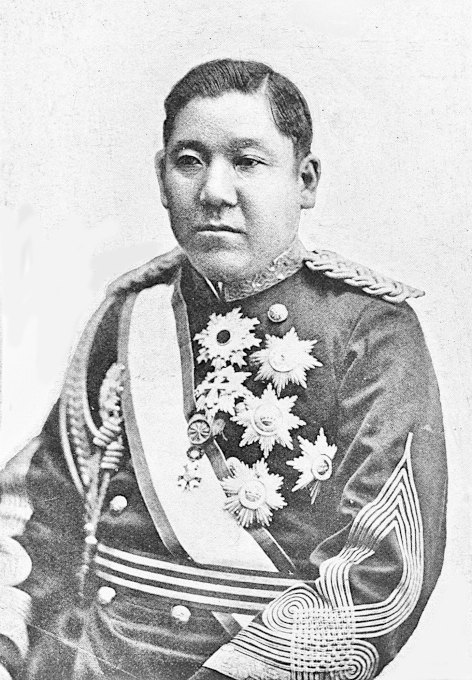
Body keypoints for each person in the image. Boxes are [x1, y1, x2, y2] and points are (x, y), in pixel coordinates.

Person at [0, 59, 447, 680]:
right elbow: (33, 512)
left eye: (247, 161)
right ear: (162, 179)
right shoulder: (130, 313)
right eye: (189, 161)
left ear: (305, 181)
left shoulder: (370, 330)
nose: (214, 191)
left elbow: (380, 574)